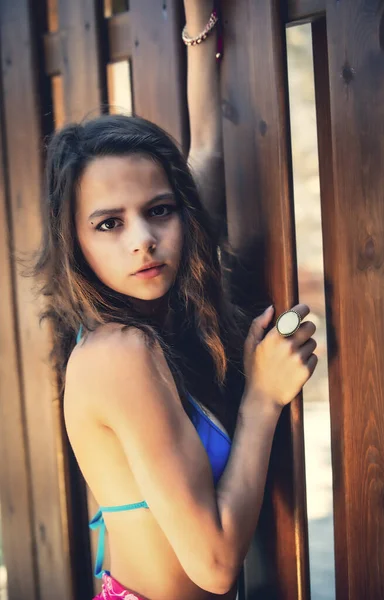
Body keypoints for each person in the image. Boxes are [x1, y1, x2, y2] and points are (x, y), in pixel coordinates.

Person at [34, 1, 318, 599]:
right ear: (75, 242)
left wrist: (198, 28)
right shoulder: (120, 351)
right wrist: (263, 399)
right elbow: (213, 566)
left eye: (158, 211)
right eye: (109, 224)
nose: (142, 240)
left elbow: (207, 148)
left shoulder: (150, 318)